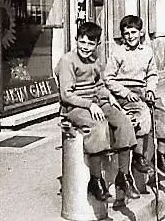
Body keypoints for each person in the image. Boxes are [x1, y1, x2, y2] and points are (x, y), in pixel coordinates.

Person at [55, 22, 139, 201]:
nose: (85, 47)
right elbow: (66, 94)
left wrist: (109, 96)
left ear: (97, 45)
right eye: (82, 42)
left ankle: (123, 176)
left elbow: (98, 85)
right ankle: (96, 180)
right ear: (76, 40)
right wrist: (89, 105)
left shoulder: (95, 60)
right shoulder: (67, 61)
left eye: (90, 44)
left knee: (123, 122)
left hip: (96, 102)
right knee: (98, 126)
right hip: (75, 107)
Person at [104, 15, 165, 178]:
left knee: (164, 117)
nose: (131, 36)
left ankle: (161, 156)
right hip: (125, 92)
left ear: (141, 32)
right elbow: (108, 78)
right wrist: (125, 93)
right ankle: (138, 157)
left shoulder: (147, 52)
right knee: (143, 115)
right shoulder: (118, 53)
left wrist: (150, 90)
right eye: (127, 33)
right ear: (122, 35)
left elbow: (152, 74)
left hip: (144, 90)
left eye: (134, 32)